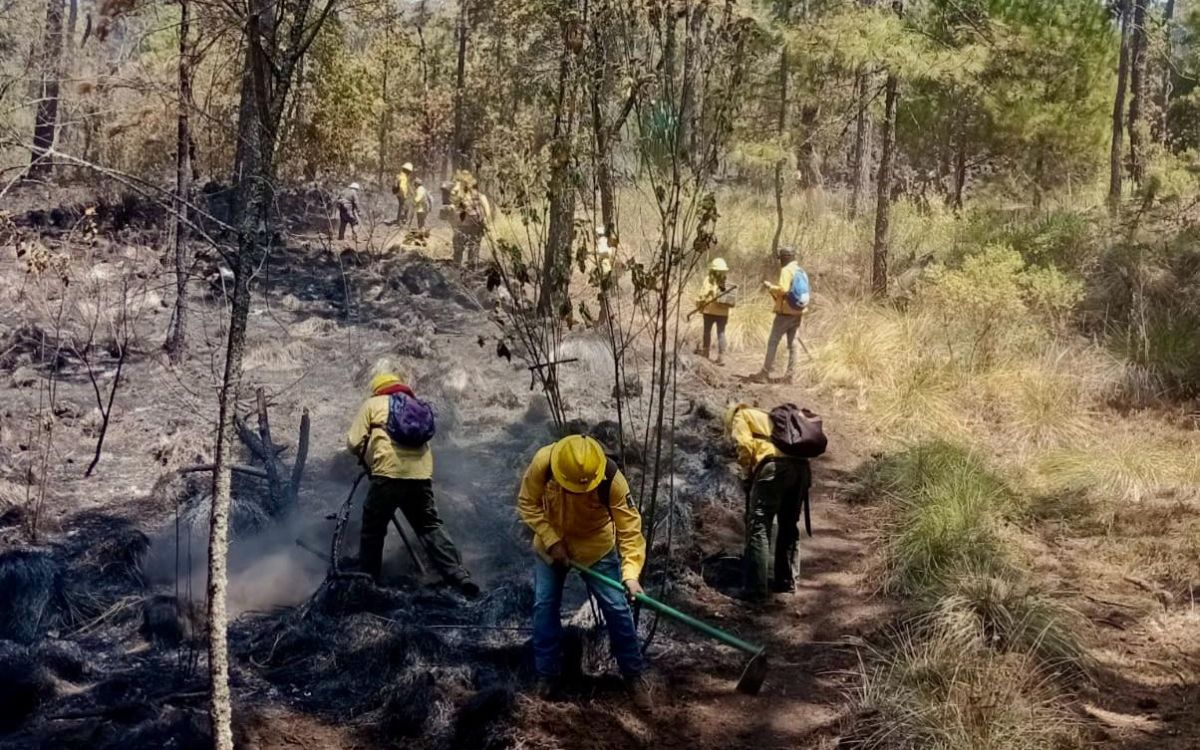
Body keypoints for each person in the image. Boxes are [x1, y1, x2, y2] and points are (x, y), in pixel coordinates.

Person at [516, 434, 652, 709]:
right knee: (544, 606)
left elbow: (630, 531)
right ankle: (547, 674)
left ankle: (633, 675)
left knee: (617, 608)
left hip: (595, 548)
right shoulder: (544, 463)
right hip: (551, 545)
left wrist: (630, 575)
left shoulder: (611, 480)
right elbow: (527, 503)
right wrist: (551, 540)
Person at [346, 371, 479, 596]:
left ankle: (368, 581)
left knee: (373, 528)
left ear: (377, 389)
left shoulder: (373, 404)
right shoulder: (414, 406)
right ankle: (459, 575)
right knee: (429, 525)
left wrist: (369, 458)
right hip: (421, 475)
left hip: (388, 473)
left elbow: (353, 442)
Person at [725, 403, 811, 600]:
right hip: (802, 470)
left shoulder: (740, 416)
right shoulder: (768, 417)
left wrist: (747, 473)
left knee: (759, 526)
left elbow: (745, 446)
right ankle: (786, 582)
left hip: (774, 468)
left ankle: (754, 589)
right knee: (789, 525)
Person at [752, 246, 808, 383]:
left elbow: (783, 289)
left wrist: (770, 287)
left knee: (773, 341)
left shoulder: (786, 270)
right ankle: (790, 376)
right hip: (798, 312)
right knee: (793, 344)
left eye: (781, 258)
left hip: (785, 313)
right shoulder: (801, 271)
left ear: (784, 258)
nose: (780, 261)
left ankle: (764, 373)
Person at [694, 257, 734, 365]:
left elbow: (702, 294)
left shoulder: (708, 280)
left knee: (707, 331)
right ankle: (721, 357)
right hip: (723, 313)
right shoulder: (726, 282)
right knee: (721, 333)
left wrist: (700, 301)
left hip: (709, 311)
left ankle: (705, 352)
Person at [450, 172, 492, 269]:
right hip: (465, 226)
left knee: (471, 249)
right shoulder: (462, 196)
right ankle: (461, 268)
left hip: (473, 226)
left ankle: (469, 269)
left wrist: (485, 221)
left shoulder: (479, 196)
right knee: (462, 249)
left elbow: (487, 212)